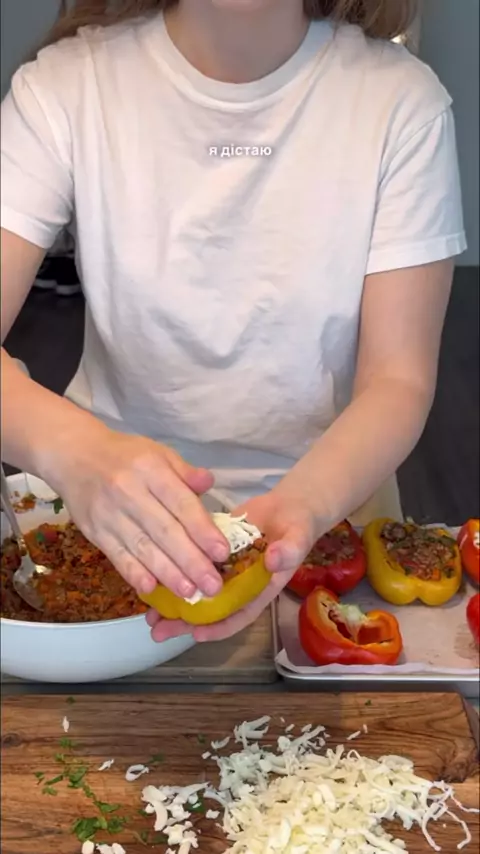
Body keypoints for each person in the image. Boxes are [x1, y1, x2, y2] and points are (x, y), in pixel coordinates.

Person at [1, 0, 466, 645]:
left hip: (331, 518)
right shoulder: (63, 86)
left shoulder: (403, 103)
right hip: (107, 527)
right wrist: (78, 454)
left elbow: (398, 380)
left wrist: (305, 506)